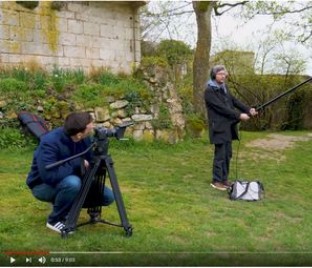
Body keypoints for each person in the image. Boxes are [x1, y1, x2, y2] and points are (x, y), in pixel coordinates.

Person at [26, 112, 115, 233]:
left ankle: (67, 204)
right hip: (42, 185)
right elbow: (49, 176)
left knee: (107, 197)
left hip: (70, 180)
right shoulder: (50, 142)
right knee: (73, 183)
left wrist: (99, 163)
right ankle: (55, 220)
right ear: (79, 134)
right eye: (90, 126)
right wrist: (75, 164)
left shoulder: (84, 139)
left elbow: (89, 162)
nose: (93, 127)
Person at [204, 65, 258, 191]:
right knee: (220, 155)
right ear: (214, 75)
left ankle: (224, 179)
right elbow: (221, 108)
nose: (223, 76)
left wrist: (248, 109)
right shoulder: (209, 91)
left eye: (224, 74)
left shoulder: (224, 88)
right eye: (220, 74)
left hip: (228, 127)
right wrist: (239, 115)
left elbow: (234, 101)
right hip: (218, 127)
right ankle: (216, 180)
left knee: (227, 154)